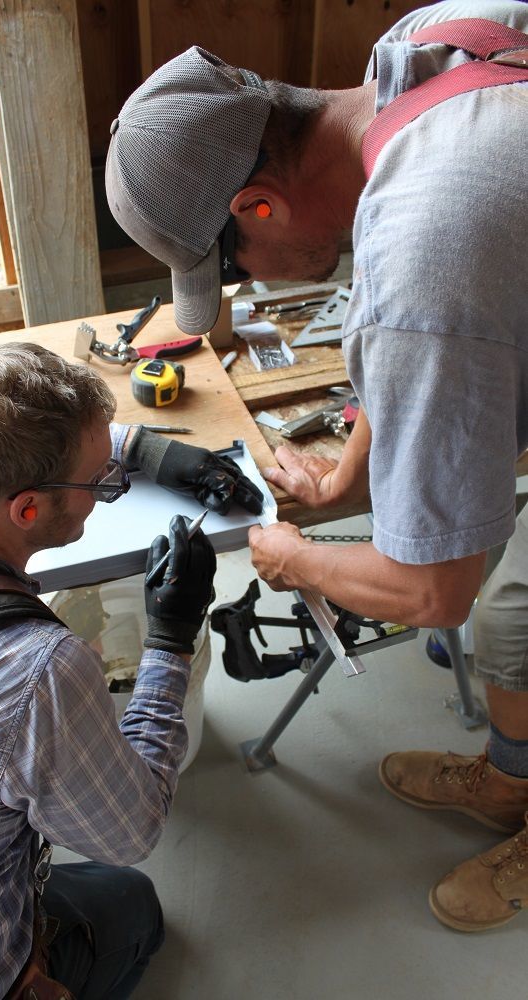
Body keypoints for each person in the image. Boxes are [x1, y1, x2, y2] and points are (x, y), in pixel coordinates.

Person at [105, 1, 528, 932]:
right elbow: (420, 311)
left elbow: (431, 591)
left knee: (506, 610)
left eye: (236, 269)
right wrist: (345, 484)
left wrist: (292, 558)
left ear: (256, 206)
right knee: (513, 614)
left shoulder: (430, 244)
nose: (252, 288)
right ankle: (512, 779)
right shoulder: (428, 46)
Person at [0, 341, 263, 997]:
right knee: (134, 904)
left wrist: (153, 451)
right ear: (26, 509)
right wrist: (171, 635)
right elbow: (132, 829)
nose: (107, 489)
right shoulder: (31, 671)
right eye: (100, 481)